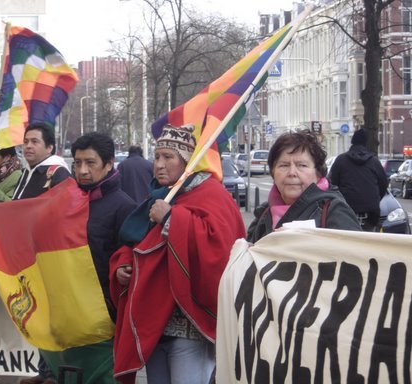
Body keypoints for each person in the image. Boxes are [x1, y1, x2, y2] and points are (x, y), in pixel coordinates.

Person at [109, 124, 246, 384]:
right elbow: (134, 242)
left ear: (188, 161)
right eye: (157, 156)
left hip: (191, 328)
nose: (159, 164)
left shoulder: (212, 194)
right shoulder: (159, 197)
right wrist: (124, 265)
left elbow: (221, 251)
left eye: (168, 157)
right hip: (155, 324)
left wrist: (172, 218)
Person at [0, 123, 71, 384]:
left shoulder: (55, 173)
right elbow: (17, 210)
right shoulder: (32, 172)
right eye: (26, 141)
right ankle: (44, 372)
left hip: (47, 257)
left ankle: (52, 374)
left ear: (50, 147)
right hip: (31, 257)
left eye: (35, 142)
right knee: (39, 316)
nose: (28, 146)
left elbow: (34, 213)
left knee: (49, 317)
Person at [40, 132, 137, 383]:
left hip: (103, 318)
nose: (82, 170)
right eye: (77, 162)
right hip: (67, 312)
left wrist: (123, 271)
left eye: (90, 163)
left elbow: (130, 255)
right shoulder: (65, 200)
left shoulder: (123, 206)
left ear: (109, 163)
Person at [247, 130, 361, 243]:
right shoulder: (264, 213)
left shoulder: (333, 210)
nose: (292, 172)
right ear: (273, 172)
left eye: (302, 165)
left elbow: (354, 254)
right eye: (284, 165)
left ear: (318, 173)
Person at [329, 128, 388, 231]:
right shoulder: (374, 162)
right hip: (371, 211)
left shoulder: (341, 160)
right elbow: (383, 184)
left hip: (346, 209)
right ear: (366, 143)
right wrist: (376, 198)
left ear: (352, 141)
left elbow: (332, 184)